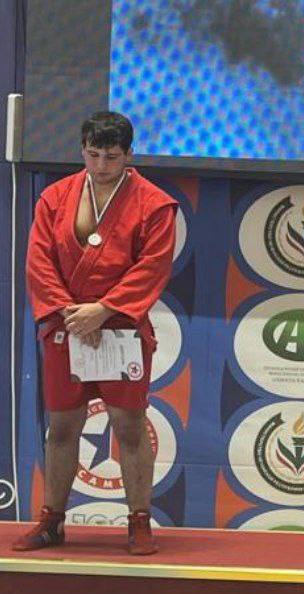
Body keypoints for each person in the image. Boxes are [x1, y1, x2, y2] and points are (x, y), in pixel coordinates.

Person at [14, 112, 177, 556]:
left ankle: (139, 522)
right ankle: (52, 521)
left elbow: (153, 266)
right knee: (62, 426)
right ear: (82, 150)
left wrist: (104, 310)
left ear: (129, 155)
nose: (101, 165)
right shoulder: (54, 197)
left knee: (129, 425)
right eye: (93, 154)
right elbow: (38, 260)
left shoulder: (155, 204)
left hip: (121, 327)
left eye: (111, 156)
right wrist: (71, 314)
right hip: (67, 324)